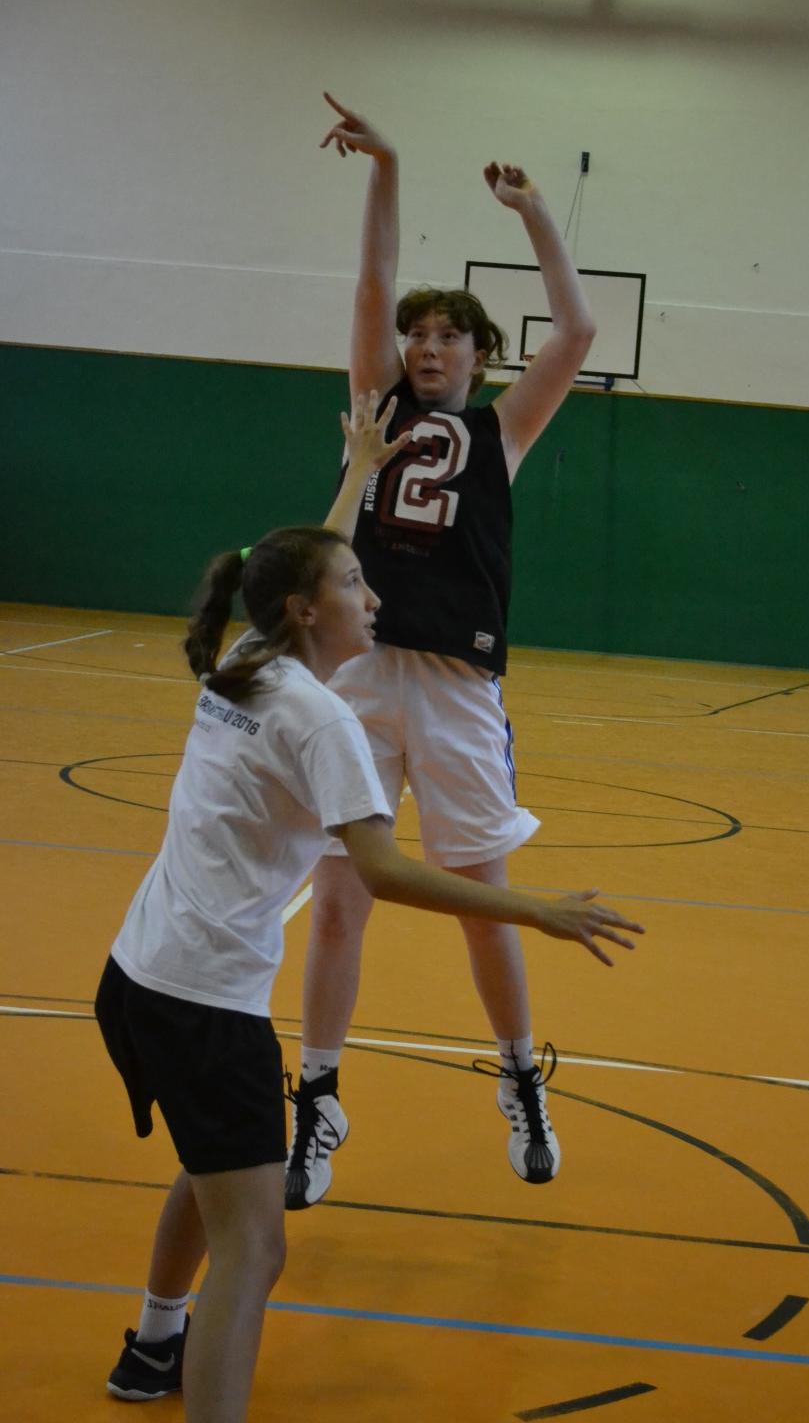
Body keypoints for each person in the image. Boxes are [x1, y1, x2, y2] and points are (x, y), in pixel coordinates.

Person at [95, 399, 642, 1421]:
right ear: (308, 611)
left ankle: (154, 1346)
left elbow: (309, 555)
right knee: (255, 1250)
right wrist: (534, 910)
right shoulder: (321, 721)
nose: (374, 592)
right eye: (353, 583)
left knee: (214, 1168)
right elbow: (383, 872)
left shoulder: (245, 660)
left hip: (134, 976)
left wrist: (357, 468)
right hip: (206, 1004)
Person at [286, 93, 600, 1209]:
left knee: (480, 897)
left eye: (448, 336)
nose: (425, 346)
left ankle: (519, 1075)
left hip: (461, 686)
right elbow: (371, 284)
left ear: (479, 356)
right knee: (339, 899)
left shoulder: (501, 430)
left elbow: (577, 333)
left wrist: (534, 213)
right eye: (417, 335)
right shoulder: (373, 404)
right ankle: (319, 1099)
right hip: (360, 676)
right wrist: (387, 165)